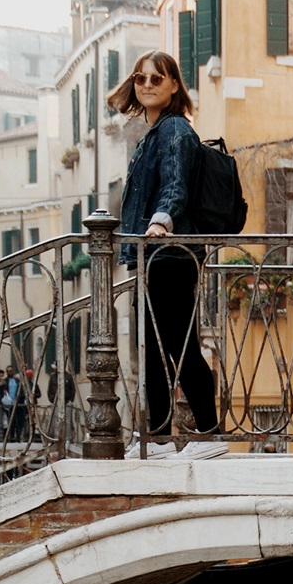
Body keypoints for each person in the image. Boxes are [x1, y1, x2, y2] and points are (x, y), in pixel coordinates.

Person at [107, 51, 218, 444]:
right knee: (153, 351)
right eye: (141, 78)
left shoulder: (174, 130)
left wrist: (159, 221)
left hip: (170, 254)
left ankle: (209, 434)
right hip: (153, 257)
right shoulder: (152, 132)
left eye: (158, 78)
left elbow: (176, 184)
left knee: (180, 346)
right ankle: (156, 437)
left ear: (174, 85)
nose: (148, 84)